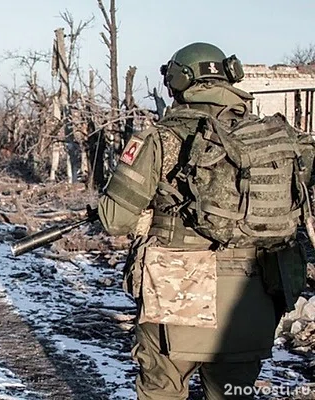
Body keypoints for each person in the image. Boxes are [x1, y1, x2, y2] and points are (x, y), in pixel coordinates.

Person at [96, 42, 315, 399]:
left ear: (178, 81)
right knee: (231, 392)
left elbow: (114, 219)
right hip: (254, 294)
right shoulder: (278, 139)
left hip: (177, 291)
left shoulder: (160, 139)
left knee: (162, 389)